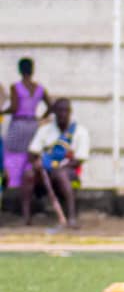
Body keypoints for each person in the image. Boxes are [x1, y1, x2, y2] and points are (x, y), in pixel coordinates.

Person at [25, 98, 87, 230]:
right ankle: (26, 218)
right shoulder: (45, 130)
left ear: (70, 112)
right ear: (54, 113)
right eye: (59, 111)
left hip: (70, 174)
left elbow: (79, 159)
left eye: (65, 111)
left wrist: (58, 168)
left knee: (61, 174)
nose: (62, 114)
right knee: (28, 174)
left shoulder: (79, 131)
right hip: (45, 172)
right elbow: (33, 152)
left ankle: (71, 218)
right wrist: (37, 162)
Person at [4, 57, 51, 208]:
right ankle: (30, 195)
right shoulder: (40, 88)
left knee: (12, 155)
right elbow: (51, 105)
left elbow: (14, 108)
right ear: (32, 69)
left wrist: (2, 111)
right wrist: (41, 118)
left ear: (19, 70)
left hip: (18, 124)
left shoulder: (15, 87)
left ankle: (15, 187)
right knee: (30, 158)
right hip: (33, 125)